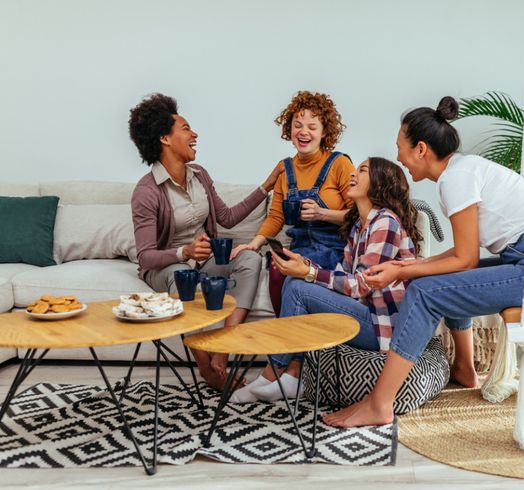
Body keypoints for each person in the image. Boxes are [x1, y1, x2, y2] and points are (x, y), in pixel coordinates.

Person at [322, 96, 524, 428]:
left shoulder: (455, 178)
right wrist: (406, 267)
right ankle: (465, 369)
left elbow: (465, 259)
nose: (398, 157)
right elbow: (460, 256)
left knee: (423, 292)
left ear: (420, 149)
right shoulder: (462, 170)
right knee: (439, 283)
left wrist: (404, 270)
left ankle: (380, 403)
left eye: (400, 148)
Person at [229, 157, 422, 403]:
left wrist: (308, 274)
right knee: (294, 280)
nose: (353, 174)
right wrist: (304, 266)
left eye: (362, 170)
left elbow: (360, 285)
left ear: (380, 184)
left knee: (299, 287)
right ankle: (289, 376)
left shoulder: (385, 222)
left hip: (380, 326)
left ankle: (274, 372)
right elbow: (344, 273)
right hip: (365, 314)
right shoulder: (359, 227)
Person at [128, 93, 283, 390]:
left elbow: (226, 217)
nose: (194, 133)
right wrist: (183, 251)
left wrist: (267, 186)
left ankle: (222, 353)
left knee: (250, 258)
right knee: (180, 275)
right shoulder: (146, 192)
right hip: (168, 267)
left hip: (206, 261)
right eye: (186, 128)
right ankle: (205, 368)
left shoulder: (199, 174)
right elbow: (146, 257)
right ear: (165, 138)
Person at [230, 91, 354, 317]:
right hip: (301, 248)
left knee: (293, 274)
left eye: (312, 126)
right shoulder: (284, 169)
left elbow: (358, 215)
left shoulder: (340, 164)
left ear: (324, 131)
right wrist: (254, 244)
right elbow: (276, 217)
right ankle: (286, 338)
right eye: (297, 125)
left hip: (336, 249)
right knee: (277, 269)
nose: (303, 132)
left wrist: (322, 214)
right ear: (289, 130)